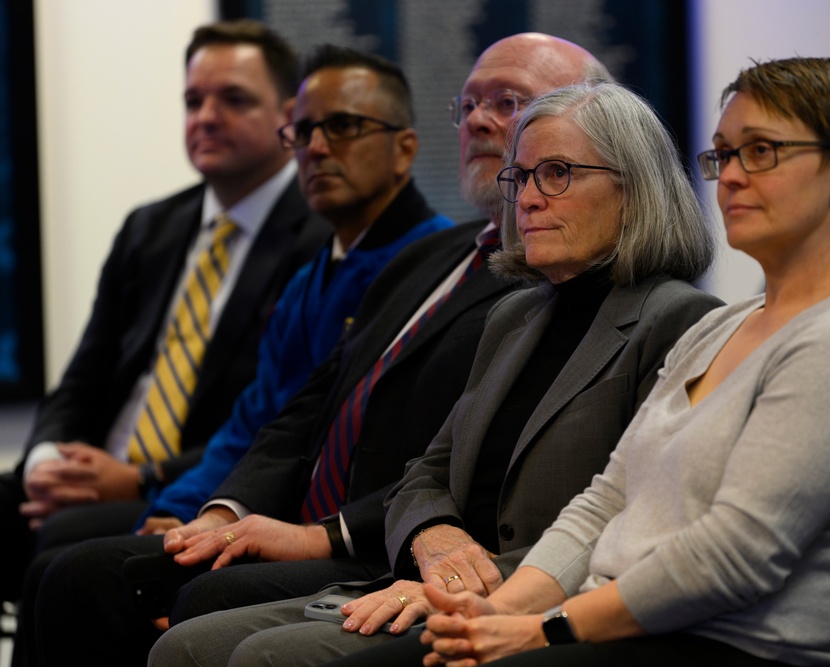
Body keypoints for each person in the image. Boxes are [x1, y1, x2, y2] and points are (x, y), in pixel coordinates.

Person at [30, 33, 625, 667]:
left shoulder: (557, 286)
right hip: (352, 524)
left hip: (392, 542)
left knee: (141, 586)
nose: (479, 120)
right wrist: (220, 510)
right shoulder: (429, 258)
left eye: (508, 102)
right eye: (468, 104)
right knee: (76, 569)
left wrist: (324, 535)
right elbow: (304, 410)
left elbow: (475, 470)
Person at [329, 59, 830, 667]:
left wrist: (545, 628)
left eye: (762, 152)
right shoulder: (725, 325)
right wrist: (504, 610)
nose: (732, 178)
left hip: (726, 646)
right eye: (723, 155)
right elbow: (607, 500)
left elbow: (735, 556)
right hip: (617, 622)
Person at [147, 74, 724, 667]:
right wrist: (432, 538)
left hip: (538, 603)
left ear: (637, 188)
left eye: (557, 174)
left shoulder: (680, 319)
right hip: (431, 579)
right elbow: (426, 473)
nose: (526, 199)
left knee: (262, 658)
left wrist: (463, 586)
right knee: (184, 647)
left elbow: (634, 522)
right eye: (520, 176)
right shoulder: (515, 315)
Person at [9, 42, 453, 667]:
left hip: (356, 527)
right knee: (72, 564)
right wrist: (182, 509)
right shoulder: (314, 276)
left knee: (79, 571)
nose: (318, 148)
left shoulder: (435, 267)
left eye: (344, 127)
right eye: (303, 131)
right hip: (266, 507)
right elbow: (259, 424)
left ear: (406, 147)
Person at [0, 19, 329, 605]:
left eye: (233, 99)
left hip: (193, 484)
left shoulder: (320, 239)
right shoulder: (150, 228)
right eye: (192, 100)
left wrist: (140, 478)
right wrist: (48, 461)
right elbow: (82, 378)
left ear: (288, 118)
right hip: (95, 469)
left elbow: (283, 415)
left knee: (64, 550)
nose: (204, 116)